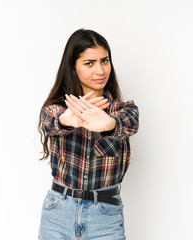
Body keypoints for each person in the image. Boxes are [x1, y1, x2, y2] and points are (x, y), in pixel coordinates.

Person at [37, 29, 139, 239]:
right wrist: (66, 120)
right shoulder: (58, 109)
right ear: (73, 66)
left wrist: (109, 124)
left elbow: (130, 123)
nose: (100, 70)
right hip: (58, 212)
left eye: (105, 61)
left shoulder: (123, 110)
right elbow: (49, 120)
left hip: (105, 215)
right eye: (89, 63)